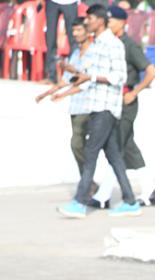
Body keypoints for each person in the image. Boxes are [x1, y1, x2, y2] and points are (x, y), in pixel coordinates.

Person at [57, 5, 141, 220]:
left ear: (101, 21)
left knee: (90, 153)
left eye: (90, 19)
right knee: (114, 157)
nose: (87, 22)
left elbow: (118, 77)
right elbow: (88, 76)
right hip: (95, 106)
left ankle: (80, 202)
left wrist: (91, 78)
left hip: (106, 107)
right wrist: (68, 87)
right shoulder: (96, 45)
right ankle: (130, 201)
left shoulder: (112, 44)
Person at [89, 6, 155, 211]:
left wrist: (135, 92)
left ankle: (104, 195)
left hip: (126, 101)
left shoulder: (129, 45)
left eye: (111, 21)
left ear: (122, 22)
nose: (108, 24)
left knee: (116, 148)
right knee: (127, 146)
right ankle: (149, 190)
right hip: (113, 100)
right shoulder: (110, 43)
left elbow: (151, 71)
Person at [35, 17, 92, 176]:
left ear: (88, 31)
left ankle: (88, 182)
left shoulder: (94, 53)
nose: (76, 34)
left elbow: (87, 81)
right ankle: (87, 181)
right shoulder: (75, 54)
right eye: (73, 31)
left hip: (91, 105)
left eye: (79, 30)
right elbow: (67, 79)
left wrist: (63, 94)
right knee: (79, 145)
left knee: (78, 144)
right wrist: (46, 94)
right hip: (76, 106)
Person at [43, 0, 79, 85]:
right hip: (52, 2)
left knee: (74, 40)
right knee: (50, 39)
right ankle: (51, 76)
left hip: (70, 2)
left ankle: (71, 75)